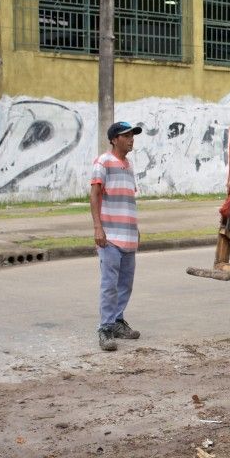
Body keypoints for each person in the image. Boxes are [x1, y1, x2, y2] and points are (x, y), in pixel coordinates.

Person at [90, 121, 143, 352]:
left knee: (125, 284)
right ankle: (105, 328)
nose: (131, 139)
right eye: (126, 135)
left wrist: (136, 230)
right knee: (109, 284)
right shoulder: (103, 162)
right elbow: (94, 195)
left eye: (132, 135)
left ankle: (118, 321)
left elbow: (128, 201)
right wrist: (97, 228)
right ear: (114, 139)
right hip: (110, 236)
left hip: (128, 236)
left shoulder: (128, 166)